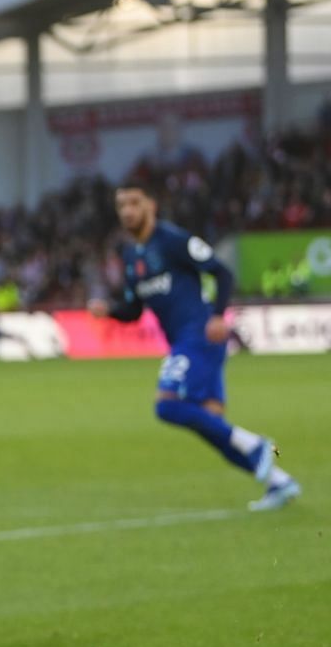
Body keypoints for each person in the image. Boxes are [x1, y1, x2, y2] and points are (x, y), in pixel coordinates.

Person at [89, 178, 299, 511]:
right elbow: (134, 310)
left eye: (134, 203)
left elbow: (223, 273)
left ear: (150, 206)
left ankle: (259, 448)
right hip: (187, 341)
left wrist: (217, 315)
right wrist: (109, 310)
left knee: (167, 406)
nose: (127, 211)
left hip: (199, 336)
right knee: (213, 428)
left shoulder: (173, 240)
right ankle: (279, 482)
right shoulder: (131, 258)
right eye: (122, 205)